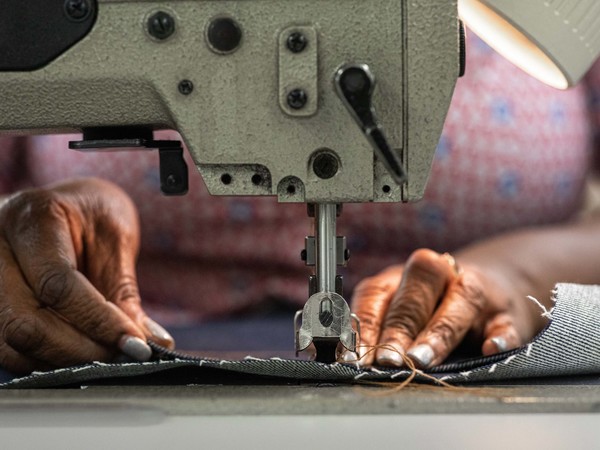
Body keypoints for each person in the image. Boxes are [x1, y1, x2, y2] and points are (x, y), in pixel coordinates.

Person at [0, 34, 599, 374]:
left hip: (471, 352)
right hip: (98, 352)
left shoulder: (554, 19)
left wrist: (518, 272)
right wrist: (22, 244)